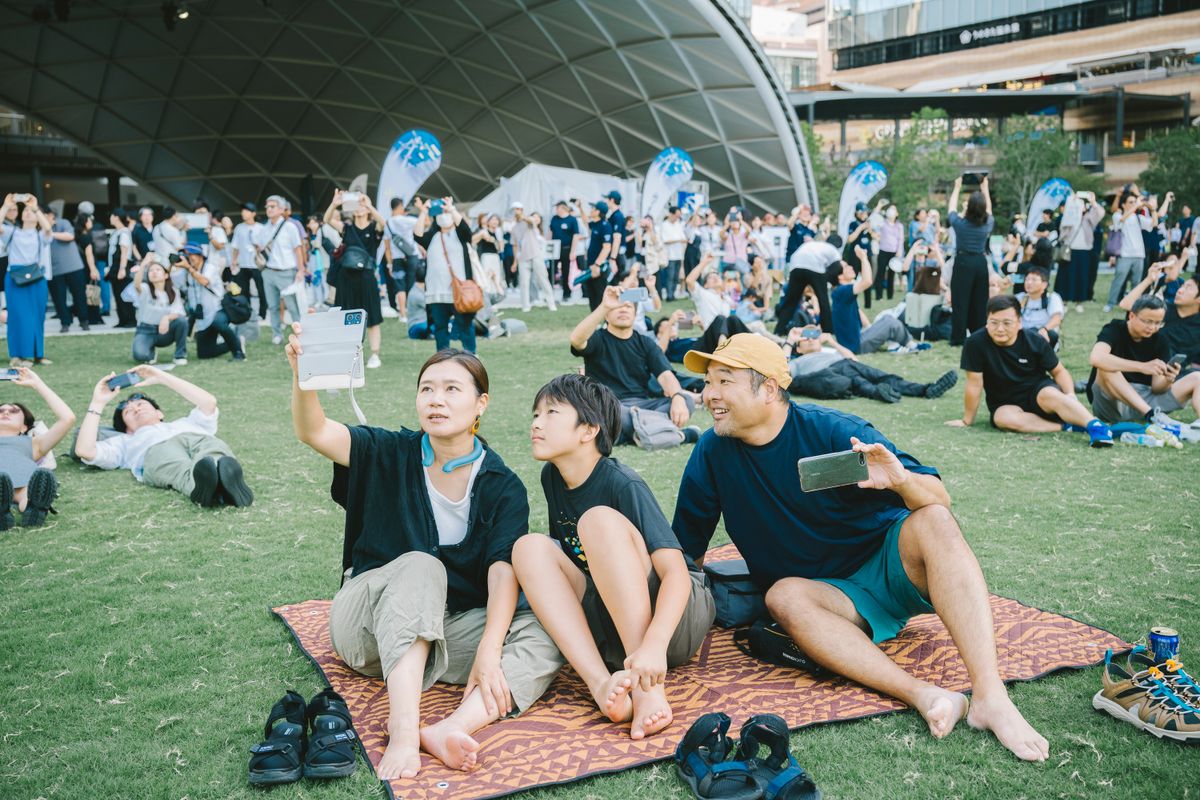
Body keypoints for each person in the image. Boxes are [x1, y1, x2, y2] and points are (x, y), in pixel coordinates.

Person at [672, 333, 1050, 762]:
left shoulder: (836, 430)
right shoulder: (712, 451)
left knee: (935, 520)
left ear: (770, 389)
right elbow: (687, 550)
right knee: (783, 596)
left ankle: (990, 695)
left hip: (893, 568)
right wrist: (670, 627)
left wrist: (901, 480)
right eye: (707, 383)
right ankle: (925, 696)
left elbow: (938, 497)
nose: (709, 395)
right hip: (832, 599)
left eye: (724, 381)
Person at [286, 342, 562, 779]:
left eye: (452, 389)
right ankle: (403, 727)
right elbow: (314, 431)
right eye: (427, 389)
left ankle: (452, 727)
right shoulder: (387, 451)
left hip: (442, 630)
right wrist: (304, 376)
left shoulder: (502, 485)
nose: (436, 399)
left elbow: (502, 569)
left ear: (480, 404)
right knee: (421, 564)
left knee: (549, 626)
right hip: (366, 628)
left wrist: (490, 647)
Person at [513, 374, 714, 740]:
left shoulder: (622, 483)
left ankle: (647, 689)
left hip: (673, 622)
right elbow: (577, 569)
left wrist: (653, 646)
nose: (536, 423)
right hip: (612, 621)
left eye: (551, 413)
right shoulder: (552, 477)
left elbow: (677, 574)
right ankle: (602, 686)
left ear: (589, 430)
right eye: (536, 414)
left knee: (597, 521)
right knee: (527, 547)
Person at [75, 365, 253, 507]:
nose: (136, 408)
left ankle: (222, 480)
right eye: (128, 411)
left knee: (212, 451)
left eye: (140, 404)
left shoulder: (188, 422)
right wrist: (97, 402)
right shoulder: (125, 442)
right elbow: (85, 450)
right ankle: (209, 488)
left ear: (159, 413)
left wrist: (161, 377)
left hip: (195, 437)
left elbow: (209, 402)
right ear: (127, 429)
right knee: (181, 469)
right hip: (155, 451)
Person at [949, 295, 1112, 445]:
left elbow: (1059, 372)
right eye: (994, 322)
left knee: (1050, 393)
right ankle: (1068, 427)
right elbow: (974, 385)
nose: (999, 329)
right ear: (987, 321)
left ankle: (1096, 426)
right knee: (1001, 419)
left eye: (1006, 323)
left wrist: (1070, 396)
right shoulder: (975, 343)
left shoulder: (1034, 340)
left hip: (1038, 392)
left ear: (1019, 322)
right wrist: (966, 421)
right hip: (1005, 402)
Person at [569, 286, 698, 446]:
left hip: (641, 405)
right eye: (617, 306)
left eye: (628, 306)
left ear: (635, 314)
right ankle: (674, 434)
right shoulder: (597, 339)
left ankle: (628, 434)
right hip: (609, 405)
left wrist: (677, 397)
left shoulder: (645, 343)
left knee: (686, 400)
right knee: (609, 412)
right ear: (607, 316)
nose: (623, 309)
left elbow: (665, 375)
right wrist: (604, 306)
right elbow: (576, 340)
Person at [1087, 295, 1200, 425]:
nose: (1152, 327)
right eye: (1147, 321)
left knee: (1197, 377)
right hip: (1113, 402)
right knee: (1106, 367)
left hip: (1146, 398)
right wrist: (1142, 366)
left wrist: (1169, 379)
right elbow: (1096, 358)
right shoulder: (1114, 329)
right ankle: (1151, 415)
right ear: (1131, 316)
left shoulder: (1160, 340)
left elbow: (1157, 388)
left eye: (1158, 323)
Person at [786, 326, 956, 403]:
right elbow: (782, 371)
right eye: (805, 337)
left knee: (883, 376)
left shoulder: (829, 351)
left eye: (813, 335)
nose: (810, 338)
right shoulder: (798, 362)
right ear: (798, 349)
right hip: (827, 374)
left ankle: (925, 389)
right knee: (859, 382)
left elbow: (853, 359)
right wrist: (790, 340)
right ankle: (878, 392)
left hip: (846, 364)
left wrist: (832, 341)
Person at [0, 368, 73, 528]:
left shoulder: (33, 443)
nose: (5, 412)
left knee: (30, 492)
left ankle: (32, 509)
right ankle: (2, 511)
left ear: (24, 427)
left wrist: (37, 384)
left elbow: (67, 419)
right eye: (0, 410)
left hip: (25, 483)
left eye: (13, 411)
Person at [323, 190, 386, 369]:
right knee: (347, 317)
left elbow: (384, 223)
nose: (359, 209)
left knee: (372, 318)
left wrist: (370, 205)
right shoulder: (347, 228)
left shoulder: (374, 228)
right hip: (346, 277)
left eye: (362, 206)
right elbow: (327, 220)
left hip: (366, 277)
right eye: (356, 206)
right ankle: (352, 353)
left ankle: (374, 354)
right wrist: (334, 204)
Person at [413, 197, 477, 353]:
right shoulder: (433, 236)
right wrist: (424, 212)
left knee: (465, 325)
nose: (444, 216)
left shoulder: (460, 235)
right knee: (440, 327)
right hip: (436, 292)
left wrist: (452, 209)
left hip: (458, 291)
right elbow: (417, 234)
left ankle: (471, 354)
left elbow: (466, 229)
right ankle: (443, 355)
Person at [829, 245, 915, 354]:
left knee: (885, 319)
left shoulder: (840, 292)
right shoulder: (841, 291)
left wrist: (870, 329)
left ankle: (901, 344)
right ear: (840, 276)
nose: (850, 267)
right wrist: (863, 258)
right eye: (846, 267)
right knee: (890, 322)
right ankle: (910, 345)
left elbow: (858, 311)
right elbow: (867, 281)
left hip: (856, 341)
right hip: (856, 345)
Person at [0, 195, 52, 367]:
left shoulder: (39, 235)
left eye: (31, 212)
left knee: (37, 316)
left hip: (36, 278)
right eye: (26, 210)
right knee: (18, 317)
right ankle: (18, 355)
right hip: (15, 278)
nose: (28, 213)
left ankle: (38, 354)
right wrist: (6, 206)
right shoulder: (12, 232)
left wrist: (36, 207)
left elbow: (48, 229)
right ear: (21, 215)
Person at [1121, 264, 1200, 367]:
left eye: (1188, 288)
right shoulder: (1161, 310)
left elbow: (1196, 366)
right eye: (1182, 286)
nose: (1179, 290)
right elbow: (1126, 304)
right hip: (1142, 367)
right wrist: (1148, 280)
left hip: (1173, 376)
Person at [946, 176, 994, 345]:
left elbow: (951, 208)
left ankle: (958, 338)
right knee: (980, 301)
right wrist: (985, 189)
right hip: (981, 263)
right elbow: (989, 210)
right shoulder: (987, 224)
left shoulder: (960, 224)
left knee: (960, 300)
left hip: (963, 261)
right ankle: (978, 334)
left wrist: (957, 187)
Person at [177, 244, 245, 362]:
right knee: (204, 354)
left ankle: (238, 352)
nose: (188, 258)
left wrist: (188, 268)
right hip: (202, 315)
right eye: (186, 256)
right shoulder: (186, 271)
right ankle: (236, 342)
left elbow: (204, 281)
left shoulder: (210, 268)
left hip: (219, 309)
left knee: (219, 323)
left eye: (191, 255)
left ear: (200, 256)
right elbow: (174, 281)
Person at [253, 196, 305, 345]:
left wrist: (300, 270)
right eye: (267, 206)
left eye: (273, 206)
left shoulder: (290, 227)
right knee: (273, 305)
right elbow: (260, 247)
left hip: (286, 271)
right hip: (268, 271)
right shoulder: (264, 228)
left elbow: (298, 250)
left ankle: (300, 333)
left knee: (292, 306)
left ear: (281, 209)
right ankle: (277, 334)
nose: (269, 209)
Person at [774, 237, 841, 335]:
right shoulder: (834, 250)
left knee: (791, 301)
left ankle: (779, 330)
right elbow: (837, 268)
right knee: (823, 301)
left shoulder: (816, 244)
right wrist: (832, 282)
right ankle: (828, 330)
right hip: (814, 266)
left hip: (796, 264)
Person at [129, 254, 188, 365]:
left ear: (166, 275)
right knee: (140, 356)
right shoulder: (145, 290)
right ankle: (150, 352)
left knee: (182, 322)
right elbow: (137, 284)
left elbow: (179, 312)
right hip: (146, 330)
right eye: (151, 270)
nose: (154, 272)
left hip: (164, 331)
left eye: (158, 270)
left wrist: (166, 317)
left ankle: (180, 355)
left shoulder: (173, 292)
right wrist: (144, 264)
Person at [1105, 192, 1154, 312]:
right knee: (1119, 279)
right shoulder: (1118, 215)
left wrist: (1152, 211)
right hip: (1125, 254)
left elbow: (1153, 224)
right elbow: (1122, 219)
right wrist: (1136, 206)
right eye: (1130, 202)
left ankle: (1134, 305)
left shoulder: (1137, 217)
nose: (1133, 204)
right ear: (1123, 204)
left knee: (1136, 282)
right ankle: (1110, 303)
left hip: (1139, 254)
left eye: (1134, 202)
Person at [46, 210, 91, 333]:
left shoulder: (63, 223)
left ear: (50, 215)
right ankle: (65, 323)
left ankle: (84, 321)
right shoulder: (38, 228)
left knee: (79, 296)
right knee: (59, 299)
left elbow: (70, 236)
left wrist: (51, 233)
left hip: (74, 267)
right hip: (54, 270)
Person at [1060, 192, 1105, 311]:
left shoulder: (1088, 218)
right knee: (1067, 277)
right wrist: (1072, 201)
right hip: (1070, 250)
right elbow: (1063, 229)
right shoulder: (1069, 216)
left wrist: (1093, 202)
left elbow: (1100, 213)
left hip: (1084, 251)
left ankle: (1079, 302)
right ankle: (1064, 302)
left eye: (1082, 205)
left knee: (1082, 277)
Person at [511, 203, 556, 313]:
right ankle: (525, 306)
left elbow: (531, 220)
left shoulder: (529, 221)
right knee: (524, 283)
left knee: (543, 280)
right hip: (522, 258)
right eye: (514, 209)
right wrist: (514, 262)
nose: (516, 211)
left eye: (518, 209)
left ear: (522, 210)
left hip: (536, 255)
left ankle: (551, 303)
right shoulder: (514, 228)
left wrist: (521, 215)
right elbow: (515, 245)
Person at [229, 202, 266, 321]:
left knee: (261, 290)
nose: (243, 213)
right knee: (244, 291)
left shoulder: (261, 228)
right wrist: (234, 261)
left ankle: (262, 313)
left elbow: (266, 246)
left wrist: (258, 247)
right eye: (242, 211)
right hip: (243, 264)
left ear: (253, 213)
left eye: (246, 211)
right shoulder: (239, 228)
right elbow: (235, 246)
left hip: (257, 265)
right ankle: (247, 313)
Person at [1015, 267, 1063, 349]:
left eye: (1034, 280)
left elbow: (1056, 319)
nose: (1029, 283)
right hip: (1023, 335)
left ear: (1044, 284)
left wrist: (1044, 329)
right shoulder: (1020, 298)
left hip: (1043, 335)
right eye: (1027, 279)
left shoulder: (1052, 298)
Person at [579, 199, 613, 311]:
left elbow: (607, 247)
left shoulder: (605, 226)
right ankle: (594, 321)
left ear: (598, 212)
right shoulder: (595, 224)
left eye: (593, 209)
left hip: (599, 267)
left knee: (600, 294)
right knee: (591, 295)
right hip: (591, 265)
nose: (591, 210)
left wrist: (597, 265)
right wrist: (580, 208)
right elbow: (585, 222)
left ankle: (604, 321)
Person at [106, 207, 137, 328]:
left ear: (116, 217)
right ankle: (123, 320)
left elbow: (124, 252)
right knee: (118, 295)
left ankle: (130, 320)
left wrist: (122, 269)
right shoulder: (117, 232)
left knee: (125, 294)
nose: (110, 218)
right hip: (115, 267)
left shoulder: (124, 232)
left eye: (111, 216)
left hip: (121, 267)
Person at [547, 200, 581, 302]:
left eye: (558, 208)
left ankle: (566, 293)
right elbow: (550, 232)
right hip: (554, 249)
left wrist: (573, 251)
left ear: (563, 208)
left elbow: (576, 236)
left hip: (566, 248)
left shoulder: (572, 220)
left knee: (566, 272)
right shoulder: (554, 219)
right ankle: (549, 293)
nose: (556, 210)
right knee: (552, 271)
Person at [875, 204, 903, 303]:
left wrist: (899, 251)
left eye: (893, 209)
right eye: (890, 209)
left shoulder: (899, 226)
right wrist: (879, 207)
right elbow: (874, 220)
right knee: (880, 274)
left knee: (891, 275)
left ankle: (890, 295)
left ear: (897, 213)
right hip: (883, 251)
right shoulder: (883, 223)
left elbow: (900, 239)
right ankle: (879, 296)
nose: (891, 211)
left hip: (894, 253)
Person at [658, 206, 686, 301]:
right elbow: (666, 240)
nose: (677, 218)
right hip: (669, 255)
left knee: (676, 276)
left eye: (679, 216)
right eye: (676, 215)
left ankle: (673, 294)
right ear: (671, 214)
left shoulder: (678, 224)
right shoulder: (665, 225)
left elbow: (683, 237)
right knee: (669, 276)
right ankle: (669, 295)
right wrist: (679, 240)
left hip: (679, 254)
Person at [604, 191, 626, 281]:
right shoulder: (613, 215)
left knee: (616, 282)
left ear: (612, 200)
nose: (606, 202)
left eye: (607, 199)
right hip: (615, 254)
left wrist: (613, 258)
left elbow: (617, 238)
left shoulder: (618, 216)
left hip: (617, 255)